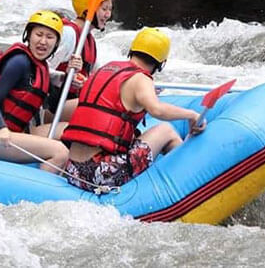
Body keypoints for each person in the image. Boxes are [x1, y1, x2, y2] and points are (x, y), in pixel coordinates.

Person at [60, 27, 203, 192]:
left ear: (131, 51)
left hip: (73, 170)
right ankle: (191, 181)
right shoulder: (142, 79)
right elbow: (157, 110)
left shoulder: (107, 68)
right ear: (161, 64)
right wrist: (191, 115)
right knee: (166, 131)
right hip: (100, 174)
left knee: (139, 137)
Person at [0, 10, 70, 173]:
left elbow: (53, 107)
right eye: (39, 34)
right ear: (28, 36)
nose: (43, 41)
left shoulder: (40, 68)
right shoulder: (19, 62)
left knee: (67, 136)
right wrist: (2, 128)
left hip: (11, 133)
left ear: (56, 44)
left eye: (50, 37)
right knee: (60, 152)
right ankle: (39, 192)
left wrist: (69, 79)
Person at [45, 0, 114, 123]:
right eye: (104, 9)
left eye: (110, 9)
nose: (108, 15)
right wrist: (65, 77)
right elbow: (41, 69)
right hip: (49, 106)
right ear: (87, 9)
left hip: (68, 103)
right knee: (100, 107)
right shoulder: (69, 34)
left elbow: (98, 76)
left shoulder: (90, 41)